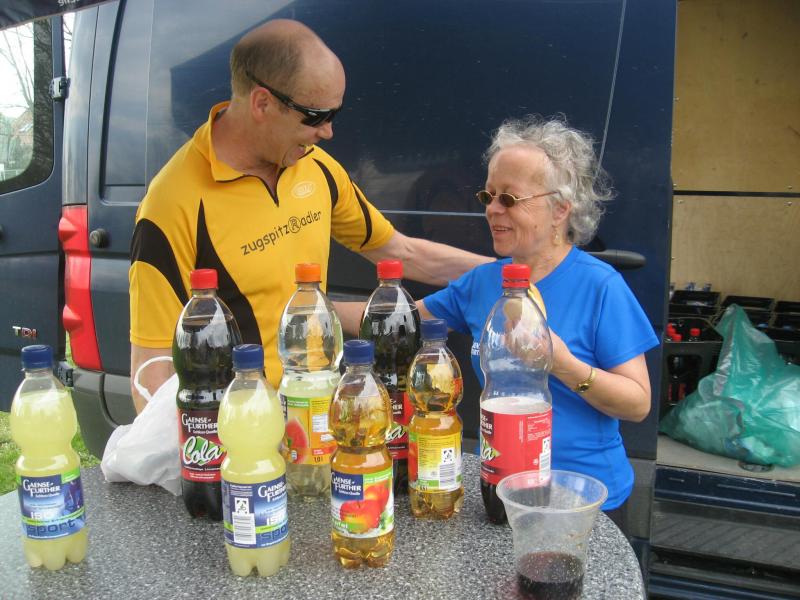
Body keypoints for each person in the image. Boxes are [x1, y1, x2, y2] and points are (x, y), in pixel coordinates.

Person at [128, 19, 490, 412]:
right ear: (262, 103)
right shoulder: (172, 203)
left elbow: (401, 252)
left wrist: (510, 275)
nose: (329, 132)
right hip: (244, 430)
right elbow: (150, 374)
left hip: (319, 412)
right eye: (316, 116)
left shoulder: (316, 167)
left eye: (335, 113)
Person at [418, 115, 659, 524]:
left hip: (582, 499)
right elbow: (399, 318)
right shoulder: (483, 282)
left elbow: (637, 404)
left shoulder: (600, 286)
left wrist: (563, 364)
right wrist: (315, 303)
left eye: (509, 199)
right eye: (489, 195)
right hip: (502, 487)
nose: (492, 209)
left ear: (560, 209)